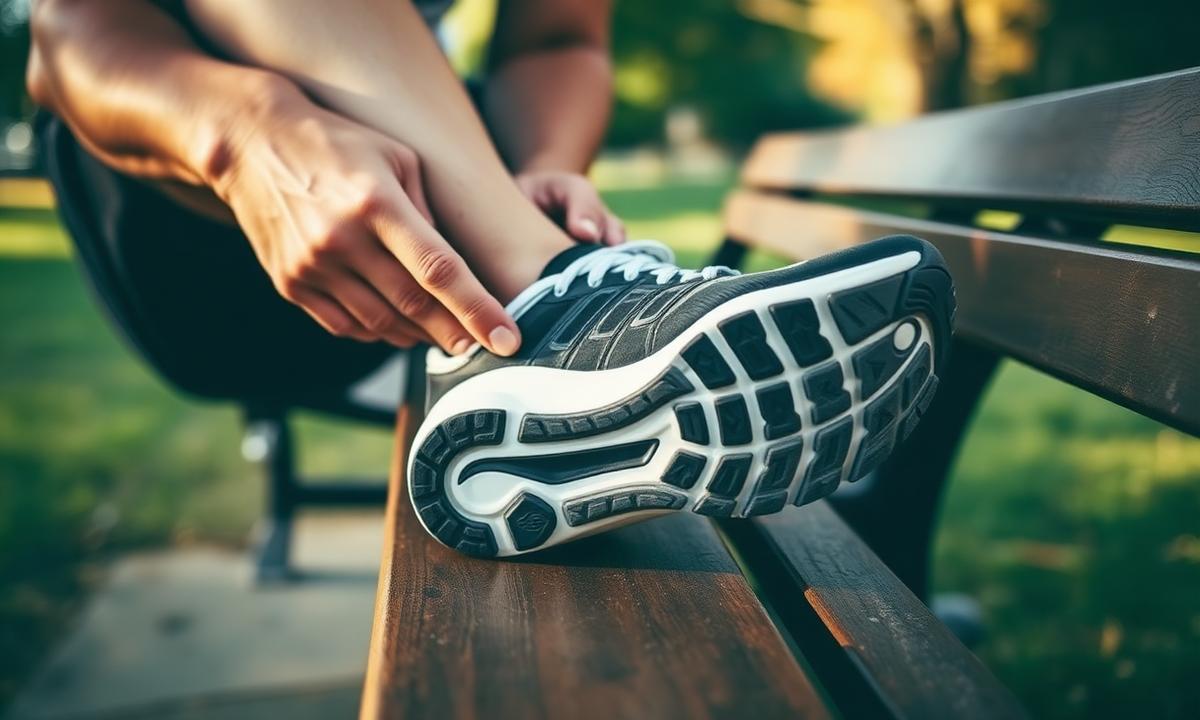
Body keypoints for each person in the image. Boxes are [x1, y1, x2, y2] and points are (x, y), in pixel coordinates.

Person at [28, 0, 955, 557]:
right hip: (184, 216)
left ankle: (540, 308)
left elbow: (556, 37)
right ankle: (565, 302)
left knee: (497, 223)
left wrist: (533, 168)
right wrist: (245, 137)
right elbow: (69, 35)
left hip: (438, 250)